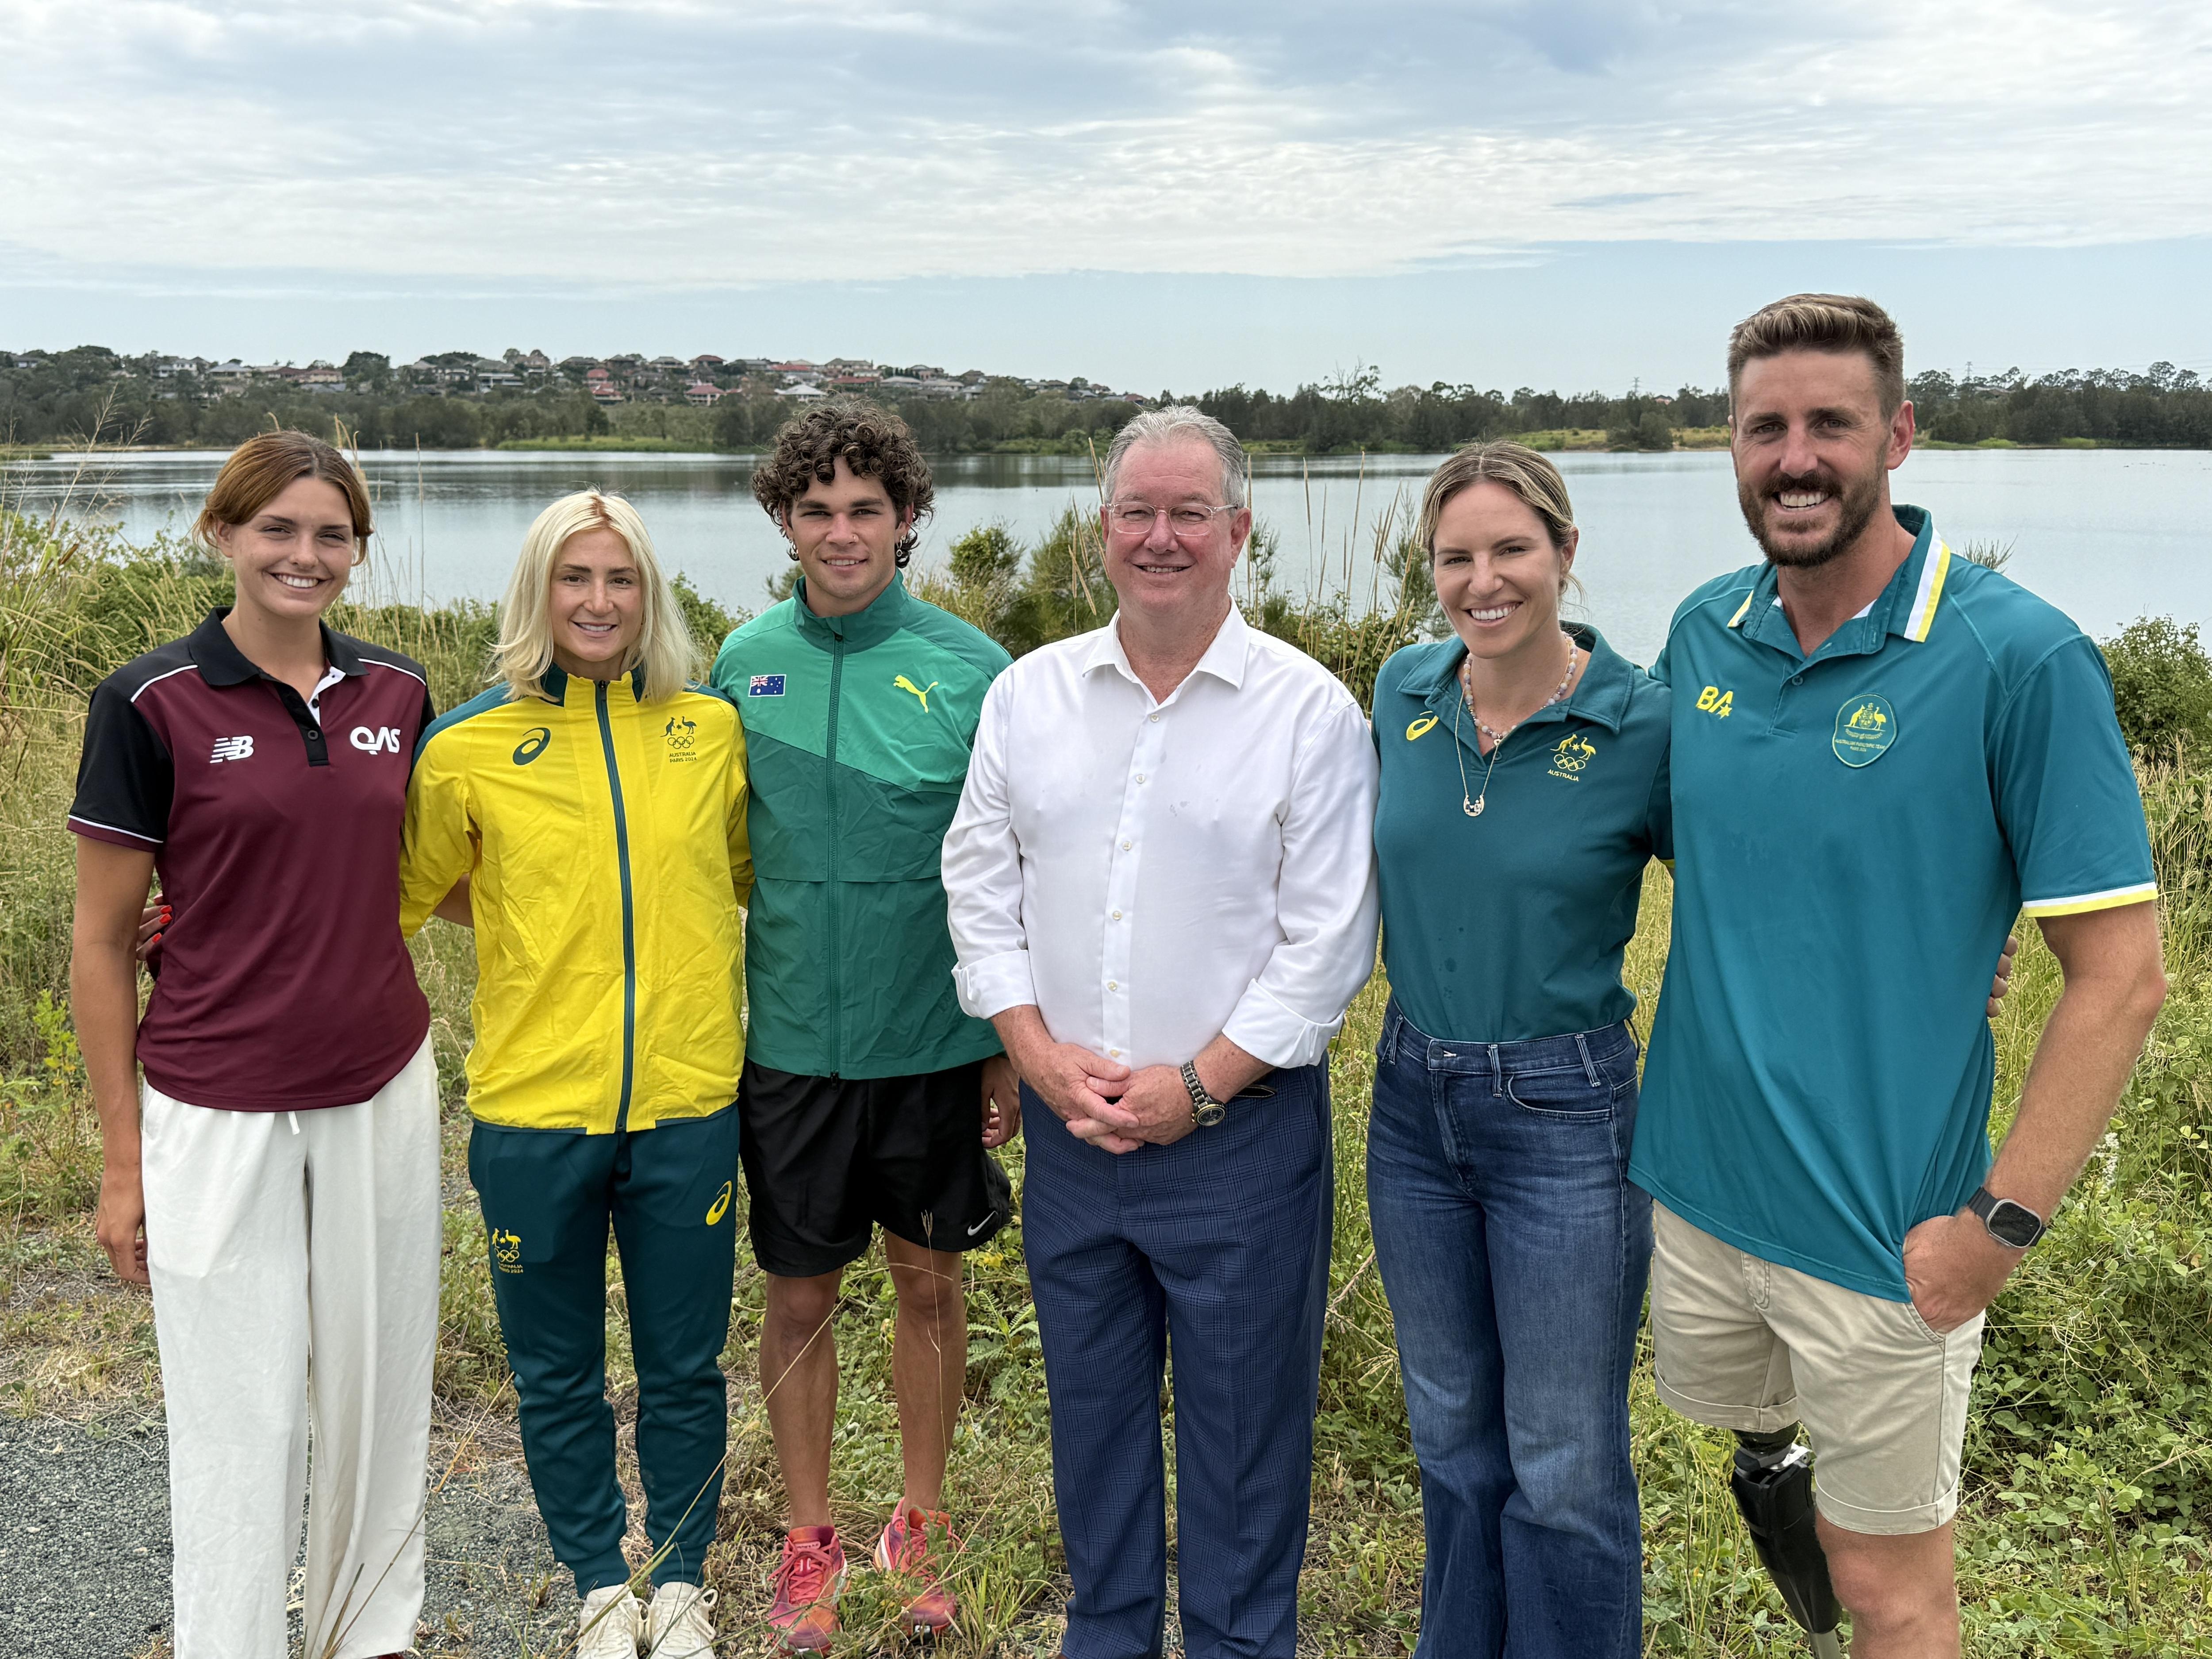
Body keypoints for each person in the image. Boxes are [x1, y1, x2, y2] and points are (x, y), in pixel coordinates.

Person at [1633, 294, 2167, 1658]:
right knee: (1750, 1449)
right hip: (1697, 1194)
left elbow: (2122, 979)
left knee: (1892, 1596)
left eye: (1831, 424)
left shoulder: (2018, 657)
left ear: (1901, 436)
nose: (1795, 457)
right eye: (1766, 428)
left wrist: (1999, 1228)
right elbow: (1721, 857)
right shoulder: (1704, 633)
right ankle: (1775, 1464)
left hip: (1886, 1238)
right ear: (1732, 446)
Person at [943, 407, 1380, 1659]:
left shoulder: (1308, 712)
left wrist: (1200, 1085)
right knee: (1093, 1429)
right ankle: (1110, 1637)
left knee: (1246, 1447)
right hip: (1073, 1139)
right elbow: (979, 884)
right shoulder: (1031, 696)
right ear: (1101, 534)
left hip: (1239, 1146)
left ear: (1240, 532)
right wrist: (1030, 1052)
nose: (1162, 536)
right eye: (1138, 511)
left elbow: (1328, 942)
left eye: (1191, 512)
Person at [69, 431, 440, 1659]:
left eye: (331, 534)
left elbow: (436, 874)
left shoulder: (398, 693)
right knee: (243, 1414)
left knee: (380, 1393)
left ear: (357, 551)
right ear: (223, 534)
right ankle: (231, 1641)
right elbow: (103, 943)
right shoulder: (147, 703)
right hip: (216, 1101)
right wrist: (123, 1162)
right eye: (277, 529)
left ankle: (370, 1632)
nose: (305, 555)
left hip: (380, 1081)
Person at [399, 491, 750, 1659]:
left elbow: (749, 876)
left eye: (621, 580)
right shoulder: (466, 748)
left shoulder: (711, 731)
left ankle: (687, 1581)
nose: (599, 603)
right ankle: (603, 1584)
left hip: (686, 1104)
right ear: (537, 594)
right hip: (531, 1112)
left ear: (650, 596)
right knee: (557, 1378)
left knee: (684, 1367)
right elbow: (399, 896)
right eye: (575, 579)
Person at [708, 399, 1019, 1650]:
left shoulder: (972, 669)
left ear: (907, 523)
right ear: (785, 521)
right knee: (796, 1299)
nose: (842, 534)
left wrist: (1003, 1035)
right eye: (818, 511)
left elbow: (1009, 865)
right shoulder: (739, 663)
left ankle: (925, 1519)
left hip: (933, 1041)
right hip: (792, 1041)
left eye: (867, 511)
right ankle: (809, 1534)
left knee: (931, 1283)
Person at [1365, 443, 1667, 1657]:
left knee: (1564, 1460)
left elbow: (1758, 880)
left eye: (1511, 550)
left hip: (1566, 1116)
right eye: (1456, 557)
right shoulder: (1404, 691)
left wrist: (1946, 949)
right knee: (1450, 1438)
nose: (1483, 580)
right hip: (1411, 1101)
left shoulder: (1642, 719)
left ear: (1566, 553)